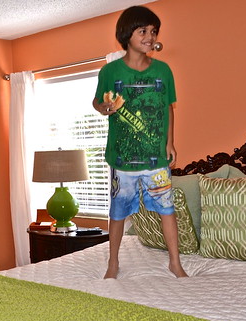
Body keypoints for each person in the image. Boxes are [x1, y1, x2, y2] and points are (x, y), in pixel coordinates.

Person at [92, 5, 188, 279]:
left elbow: (168, 106)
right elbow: (98, 101)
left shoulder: (163, 70)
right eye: (143, 30)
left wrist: (170, 142)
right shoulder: (110, 72)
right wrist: (104, 108)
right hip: (122, 158)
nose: (149, 36)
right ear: (127, 34)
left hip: (156, 158)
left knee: (167, 209)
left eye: (153, 31)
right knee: (118, 212)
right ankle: (113, 263)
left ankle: (175, 263)